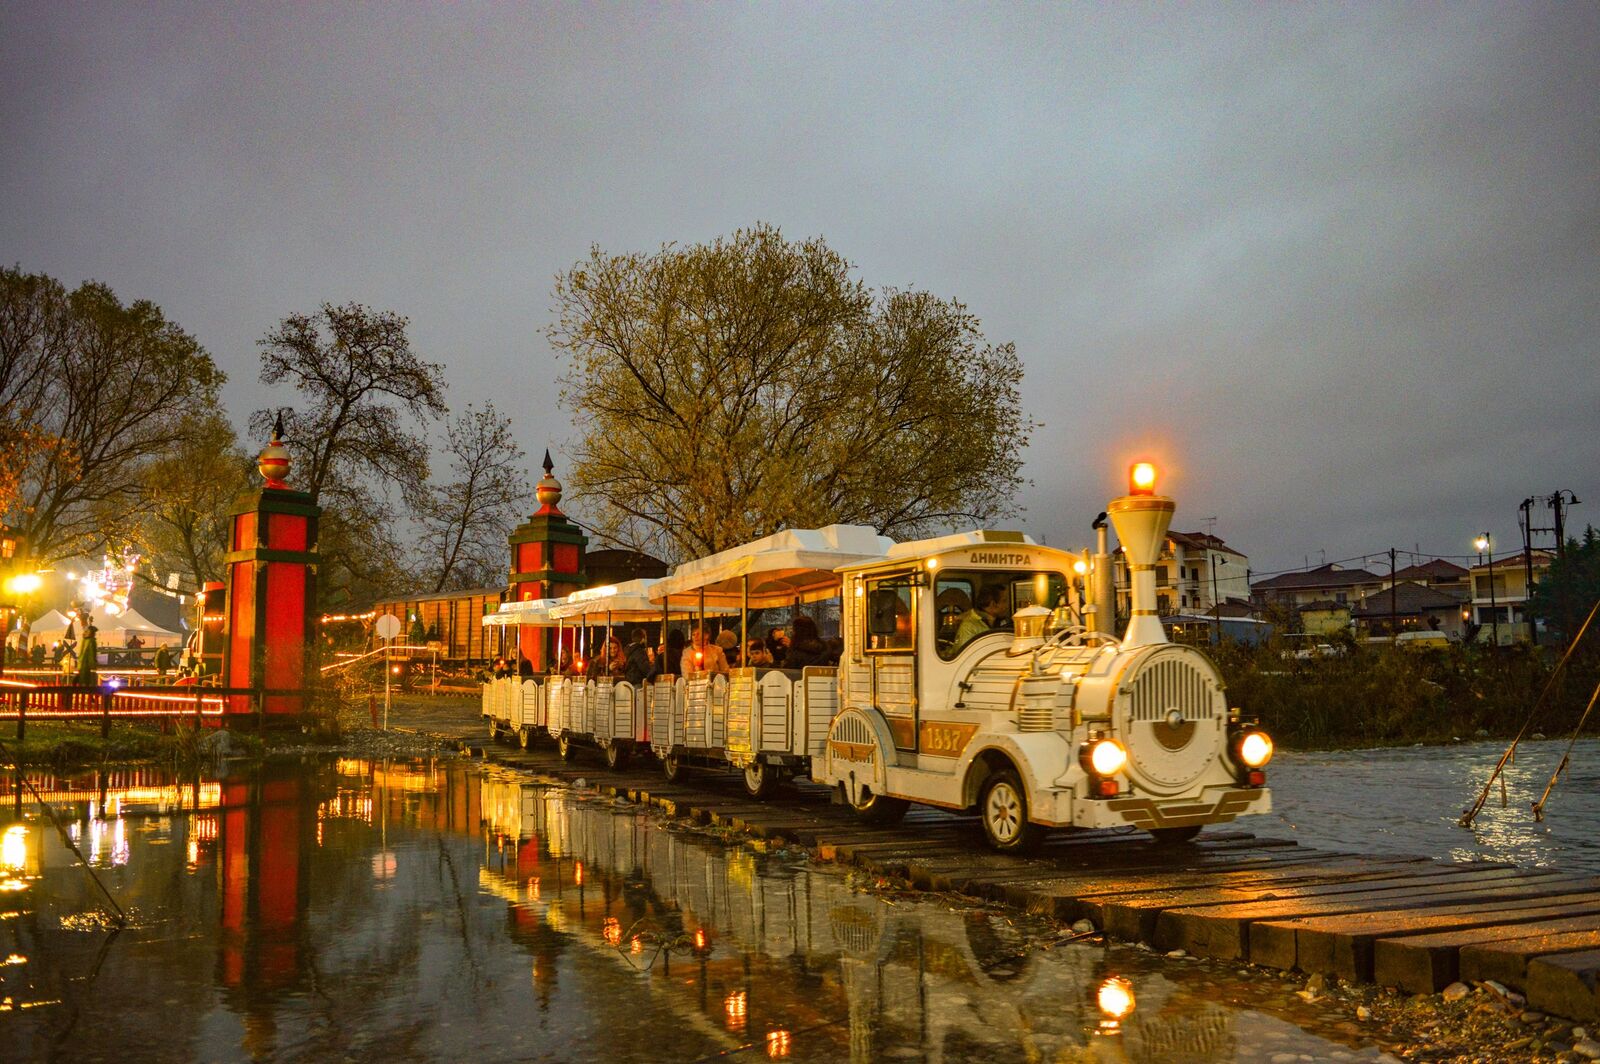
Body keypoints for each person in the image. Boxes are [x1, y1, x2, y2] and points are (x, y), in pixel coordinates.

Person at [953, 584, 1010, 653]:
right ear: (993, 604)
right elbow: (962, 655)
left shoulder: (1002, 622)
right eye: (1004, 601)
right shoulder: (969, 627)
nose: (1007, 606)